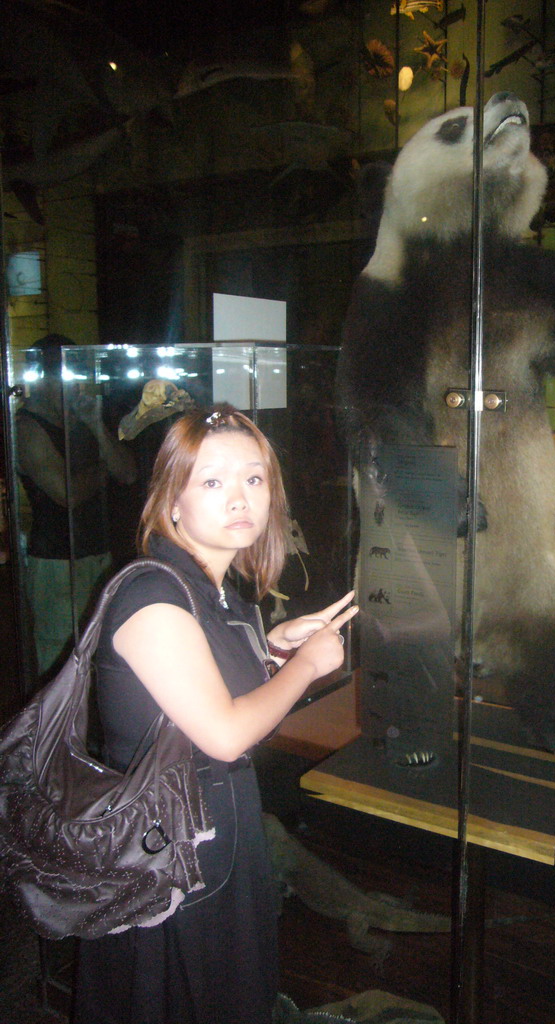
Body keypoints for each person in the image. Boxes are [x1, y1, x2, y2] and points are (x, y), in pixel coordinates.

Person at [72, 403, 357, 1024]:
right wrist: (306, 667)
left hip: (212, 830)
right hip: (168, 849)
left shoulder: (211, 590)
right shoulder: (152, 595)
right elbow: (225, 734)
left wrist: (277, 648)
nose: (240, 498)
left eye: (254, 479)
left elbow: (207, 693)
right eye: (212, 481)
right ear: (171, 500)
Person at [15, 334, 137, 676]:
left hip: (97, 554)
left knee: (103, 651)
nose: (74, 387)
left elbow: (127, 473)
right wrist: (103, 470)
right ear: (43, 380)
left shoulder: (80, 420)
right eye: (64, 378)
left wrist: (96, 426)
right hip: (56, 562)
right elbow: (66, 493)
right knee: (60, 659)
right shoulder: (27, 427)